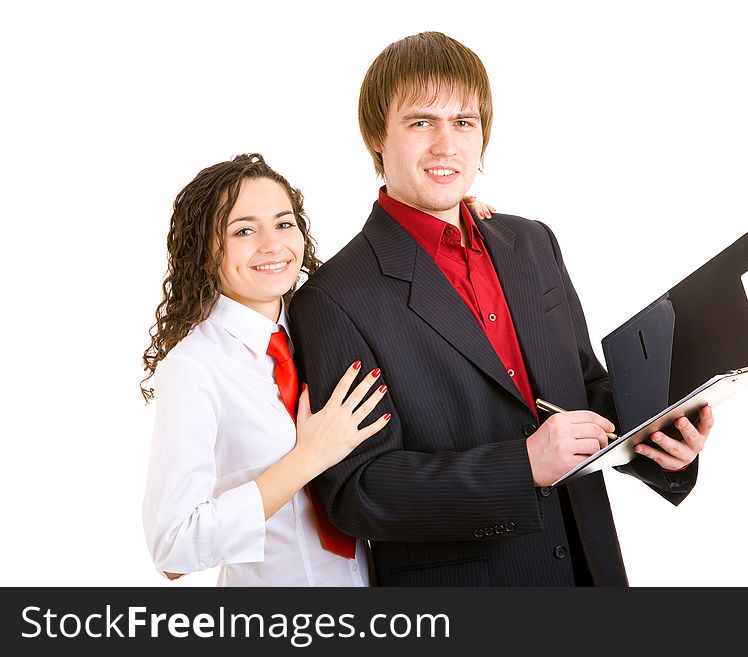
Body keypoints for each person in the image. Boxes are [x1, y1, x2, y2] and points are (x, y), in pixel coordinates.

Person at [288, 32, 715, 586]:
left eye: (464, 122)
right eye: (421, 122)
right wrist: (523, 467)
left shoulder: (532, 244)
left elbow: (587, 390)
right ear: (376, 135)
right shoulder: (333, 298)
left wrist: (664, 439)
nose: (447, 144)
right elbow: (360, 491)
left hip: (593, 571)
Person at [140, 154, 495, 586]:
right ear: (205, 249)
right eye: (244, 230)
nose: (272, 245)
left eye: (284, 224)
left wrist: (454, 223)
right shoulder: (194, 368)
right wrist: (308, 459)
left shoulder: (320, 325)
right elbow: (173, 547)